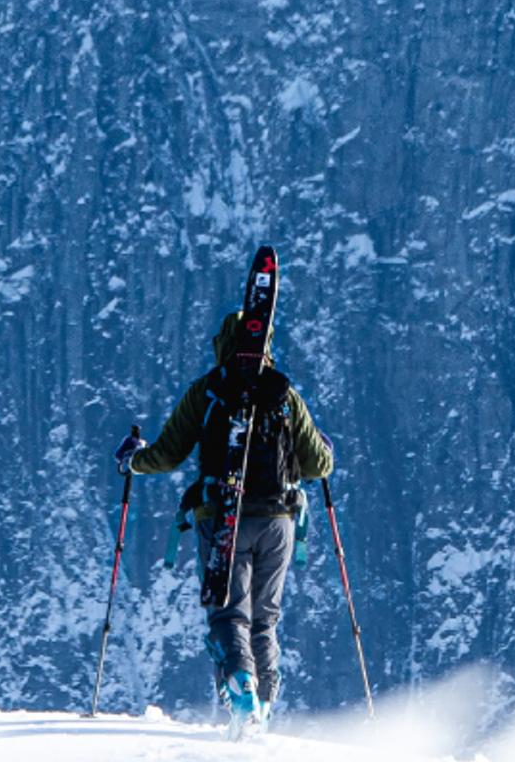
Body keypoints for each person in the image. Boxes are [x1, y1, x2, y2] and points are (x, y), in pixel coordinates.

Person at [120, 309, 333, 724]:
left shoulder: (209, 391)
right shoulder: (284, 395)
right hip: (279, 520)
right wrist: (325, 448)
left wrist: (131, 460)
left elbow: (166, 454)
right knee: (264, 617)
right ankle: (265, 702)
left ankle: (240, 684)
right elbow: (317, 465)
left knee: (229, 611)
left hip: (224, 517)